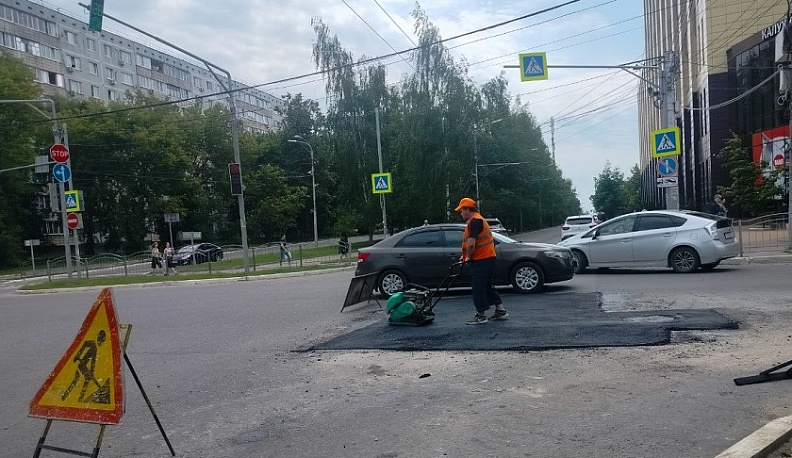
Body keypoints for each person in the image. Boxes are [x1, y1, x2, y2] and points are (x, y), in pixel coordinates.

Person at [454, 197, 508, 325]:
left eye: (461, 211)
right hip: (488, 258)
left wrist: (468, 257)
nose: (461, 213)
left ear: (467, 210)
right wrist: (465, 256)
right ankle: (501, 311)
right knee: (487, 285)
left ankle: (481, 315)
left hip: (482, 259)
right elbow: (478, 243)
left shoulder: (474, 222)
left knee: (478, 287)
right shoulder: (479, 220)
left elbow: (472, 244)